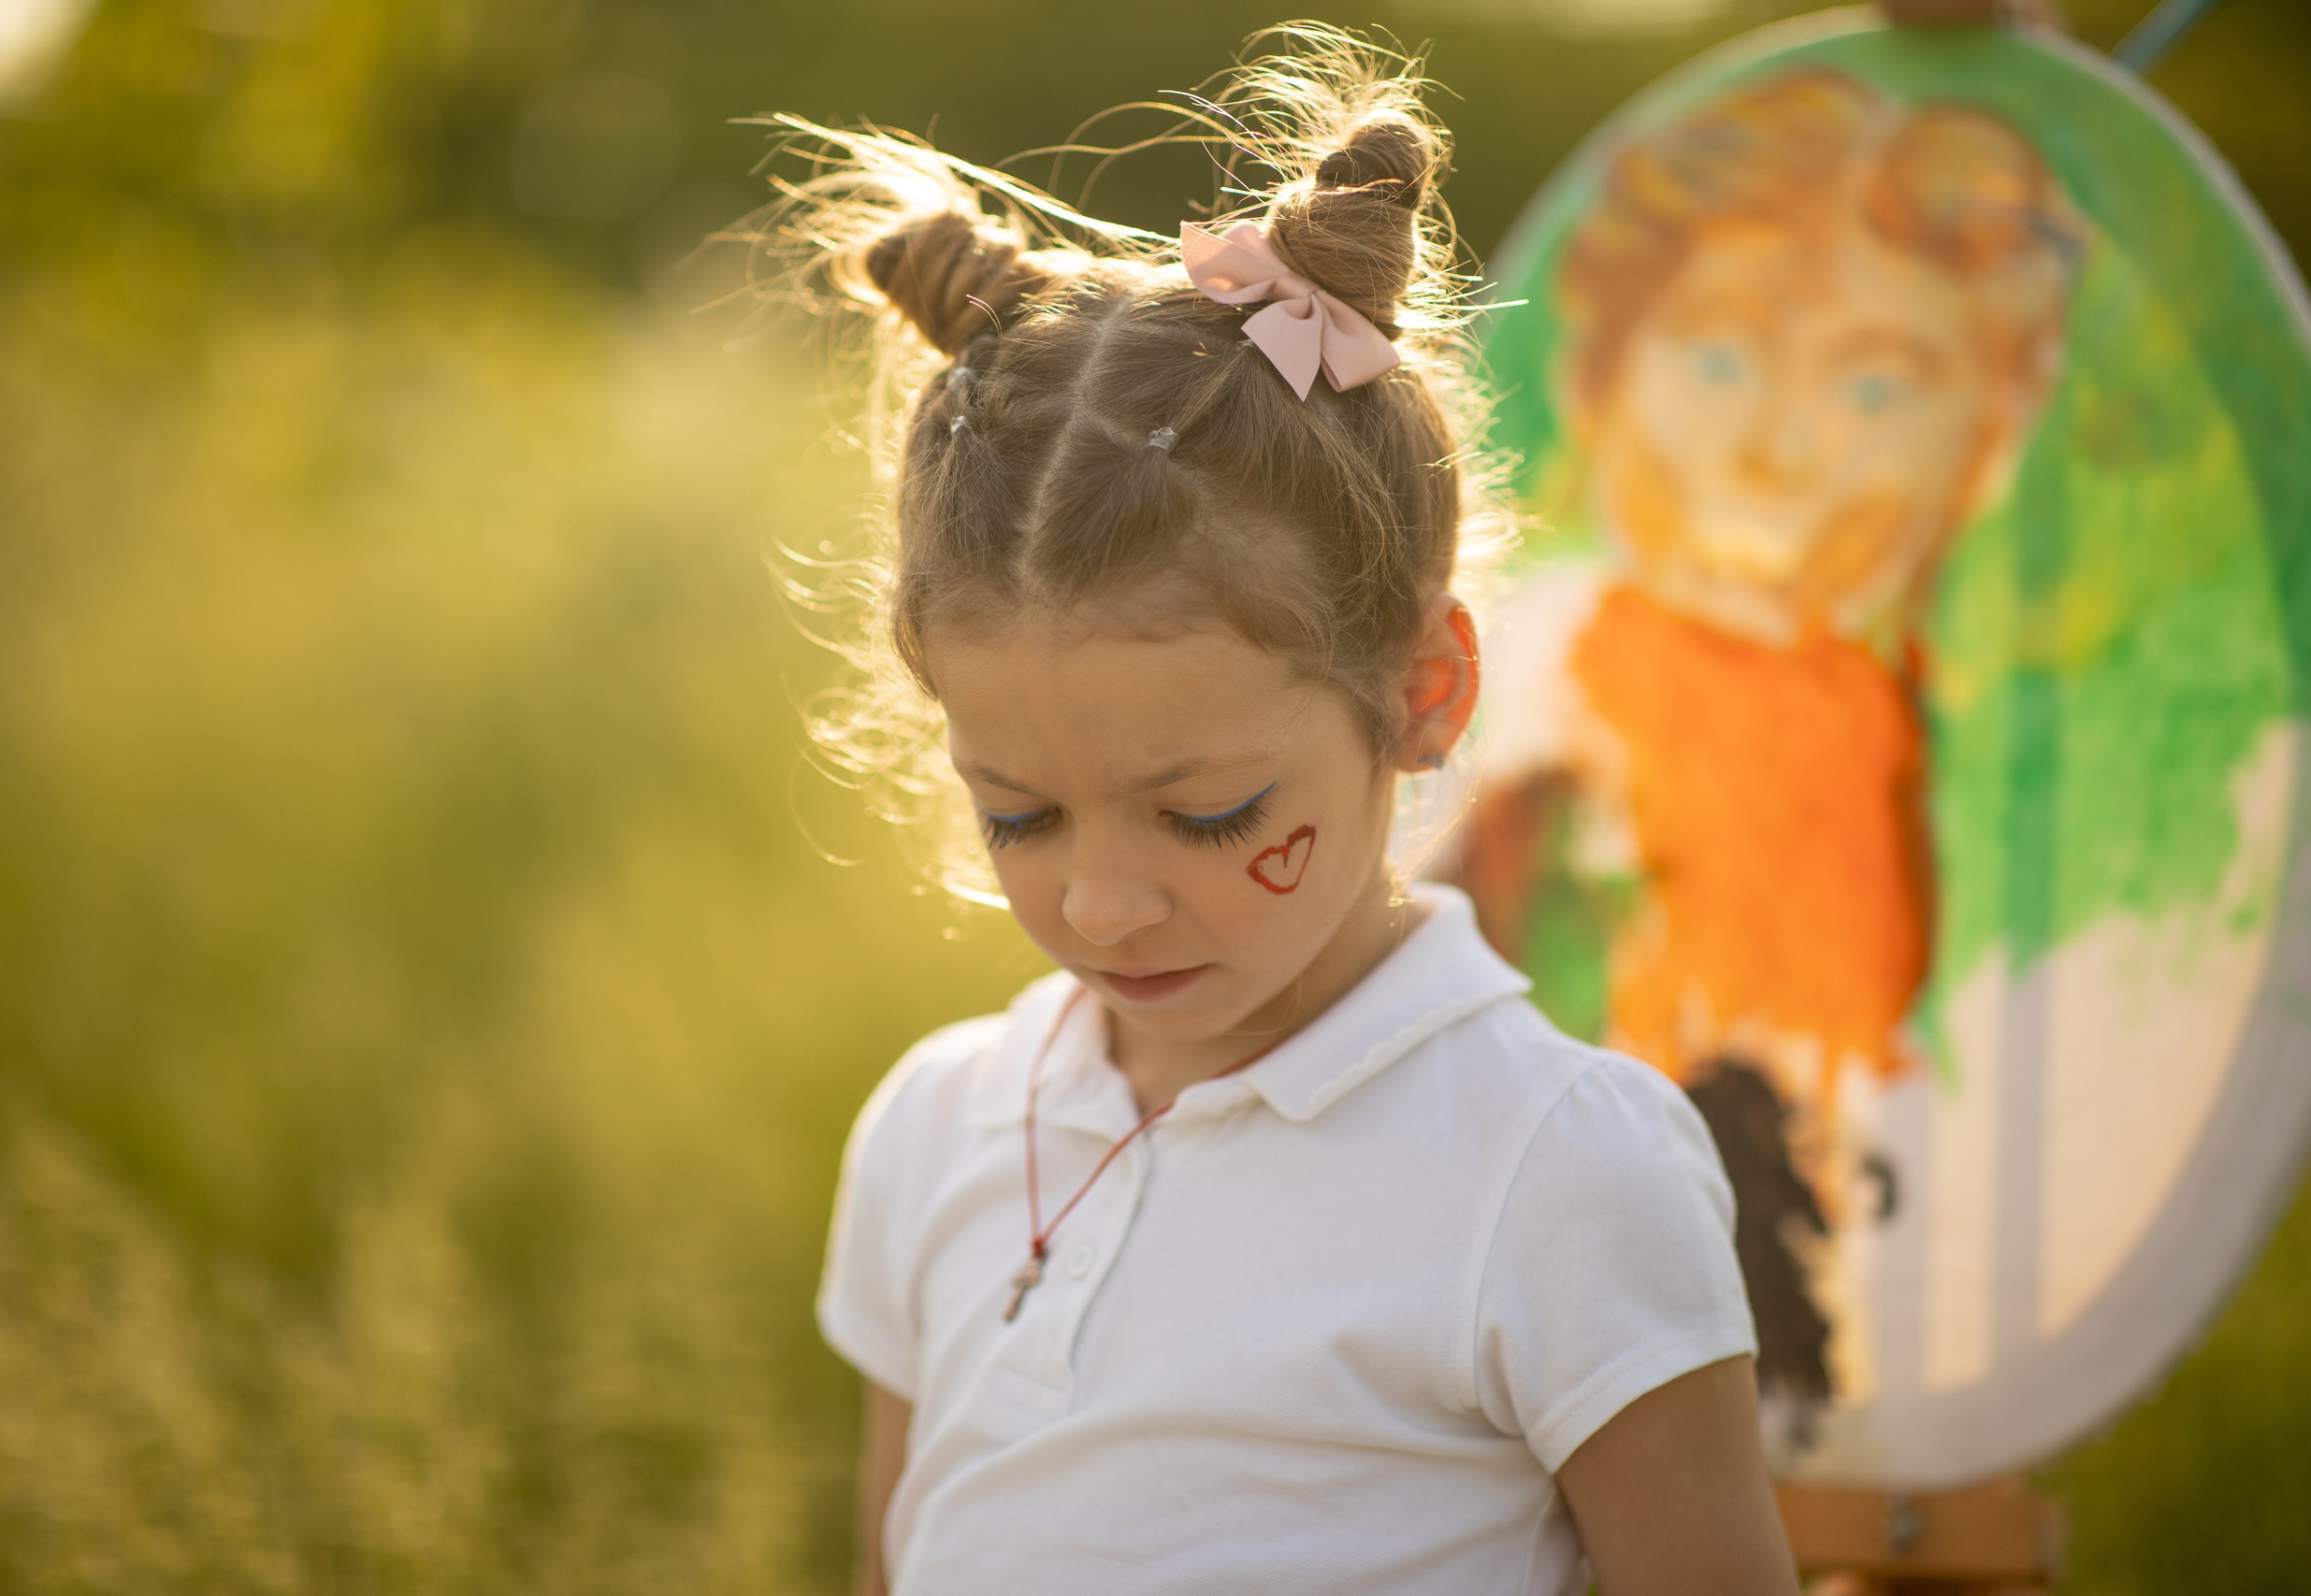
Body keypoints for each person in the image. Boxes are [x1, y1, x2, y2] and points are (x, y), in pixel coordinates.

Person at [759, 30, 1796, 1596]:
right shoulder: (935, 1127)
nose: (1100, 907)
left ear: (1424, 694)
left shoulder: (1556, 1168)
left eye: (1208, 813)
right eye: (1021, 816)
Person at [1452, 68, 2083, 1437]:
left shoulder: (1912, 724)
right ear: (1598, 371)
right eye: (1723, 356)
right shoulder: (1531, 671)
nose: (1779, 451)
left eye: (1874, 383)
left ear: (1985, 442)